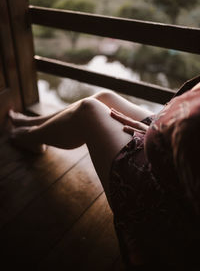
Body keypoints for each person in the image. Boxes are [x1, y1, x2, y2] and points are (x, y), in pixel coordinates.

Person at [8, 75, 200, 269]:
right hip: (173, 143)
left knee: (88, 109)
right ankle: (34, 124)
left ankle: (30, 137)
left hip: (169, 198)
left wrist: (157, 138)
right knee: (105, 97)